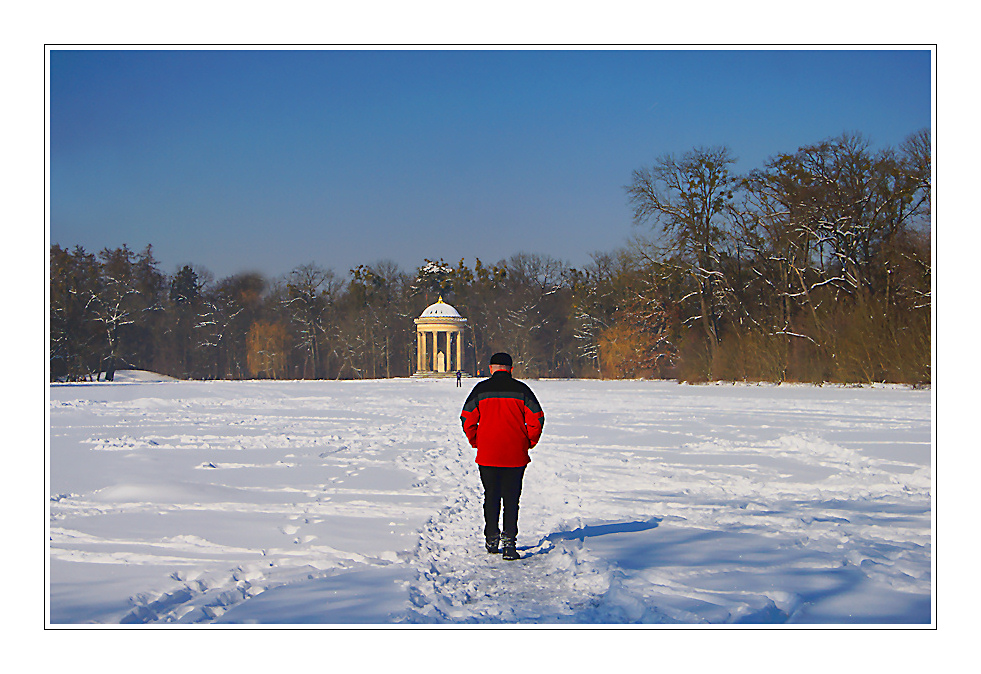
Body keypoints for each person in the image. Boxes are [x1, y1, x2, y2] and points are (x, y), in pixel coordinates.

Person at [460, 352, 544, 560]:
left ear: (491, 368)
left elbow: (467, 419)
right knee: (511, 499)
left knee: (491, 496)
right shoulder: (522, 390)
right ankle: (509, 543)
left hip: (488, 454)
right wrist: (528, 442)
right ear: (511, 369)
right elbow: (537, 420)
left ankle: (491, 538)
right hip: (515, 455)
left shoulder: (481, 390)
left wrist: (476, 441)